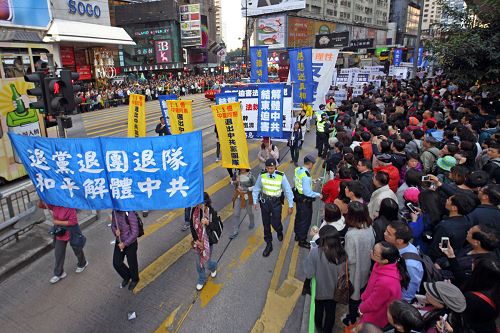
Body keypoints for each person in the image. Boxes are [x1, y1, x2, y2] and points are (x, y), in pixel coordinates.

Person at [304, 226, 346, 333]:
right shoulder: (342, 254)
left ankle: (318, 327)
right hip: (334, 292)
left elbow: (309, 274)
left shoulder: (315, 253)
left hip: (320, 290)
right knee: (330, 312)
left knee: (319, 310)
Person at [359, 242, 410, 329]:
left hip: (376, 315)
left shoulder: (386, 282)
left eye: (375, 253)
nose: (371, 252)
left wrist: (361, 308)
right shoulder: (381, 264)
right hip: (370, 306)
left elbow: (373, 303)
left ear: (385, 260)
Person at [252, 158, 294, 257]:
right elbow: (257, 188)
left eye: (272, 168)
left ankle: (279, 230)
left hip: (276, 203)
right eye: (268, 168)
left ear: (275, 167)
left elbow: (288, 190)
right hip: (265, 202)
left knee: (276, 221)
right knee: (266, 224)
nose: (270, 170)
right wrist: (254, 201)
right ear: (265, 167)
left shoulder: (281, 176)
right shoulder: (262, 175)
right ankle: (269, 244)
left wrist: (291, 205)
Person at [343, 201, 376, 326]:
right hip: (365, 267)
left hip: (354, 271)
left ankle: (352, 319)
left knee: (354, 297)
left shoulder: (351, 235)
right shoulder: (369, 228)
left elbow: (350, 258)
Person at [41, 202, 88, 284]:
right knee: (58, 253)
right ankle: (59, 273)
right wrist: (41, 198)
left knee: (77, 249)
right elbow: (42, 206)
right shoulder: (55, 204)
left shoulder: (70, 205)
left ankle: (82, 263)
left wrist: (58, 222)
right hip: (60, 233)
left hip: (72, 232)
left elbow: (73, 222)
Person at [384, 221, 424, 302]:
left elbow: (409, 290)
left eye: (389, 233)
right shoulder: (398, 248)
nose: (384, 233)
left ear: (399, 241)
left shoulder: (410, 264)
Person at [429, 193, 476, 262]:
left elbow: (438, 248)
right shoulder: (468, 221)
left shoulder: (445, 227)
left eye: (449, 200)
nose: (446, 200)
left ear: (454, 208)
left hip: (441, 259)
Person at [190, 192, 219, 291]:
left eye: (200, 203)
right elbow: (192, 225)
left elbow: (216, 227)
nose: (197, 205)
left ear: (206, 203)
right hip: (198, 242)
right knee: (198, 262)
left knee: (207, 261)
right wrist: (196, 240)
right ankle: (201, 278)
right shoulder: (194, 211)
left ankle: (213, 266)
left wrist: (208, 223)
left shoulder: (212, 212)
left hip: (208, 242)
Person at [293, 154, 321, 249]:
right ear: (310, 164)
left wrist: (311, 181)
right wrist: (318, 194)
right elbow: (308, 192)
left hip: (298, 198)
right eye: (312, 164)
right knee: (305, 221)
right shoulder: (306, 176)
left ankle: (297, 234)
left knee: (298, 217)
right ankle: (302, 240)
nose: (312, 166)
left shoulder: (298, 170)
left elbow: (298, 180)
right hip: (305, 201)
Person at [111, 210, 140, 291]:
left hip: (130, 243)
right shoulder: (114, 211)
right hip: (119, 241)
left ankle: (135, 279)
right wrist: (115, 231)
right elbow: (113, 225)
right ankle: (127, 276)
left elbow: (135, 232)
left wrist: (125, 243)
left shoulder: (129, 213)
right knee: (116, 263)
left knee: (132, 263)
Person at [230, 168, 256, 239]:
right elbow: (231, 182)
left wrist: (246, 189)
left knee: (249, 212)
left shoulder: (251, 176)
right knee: (236, 213)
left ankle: (252, 222)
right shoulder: (236, 174)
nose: (242, 169)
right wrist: (235, 181)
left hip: (247, 196)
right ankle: (235, 230)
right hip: (238, 196)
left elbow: (255, 186)